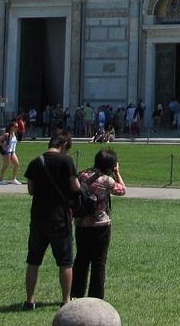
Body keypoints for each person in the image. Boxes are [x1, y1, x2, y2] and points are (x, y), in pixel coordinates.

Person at [23, 129, 82, 310]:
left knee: (33, 260)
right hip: (60, 217)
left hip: (39, 217)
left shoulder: (35, 162)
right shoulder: (66, 161)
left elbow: (31, 190)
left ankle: (30, 300)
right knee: (65, 261)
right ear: (64, 145)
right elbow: (76, 187)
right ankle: (65, 300)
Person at [71, 148, 126, 300]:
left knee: (81, 259)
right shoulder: (107, 180)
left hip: (82, 223)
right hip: (101, 225)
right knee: (99, 262)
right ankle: (96, 295)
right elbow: (122, 190)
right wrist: (117, 173)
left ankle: (76, 293)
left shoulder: (82, 175)